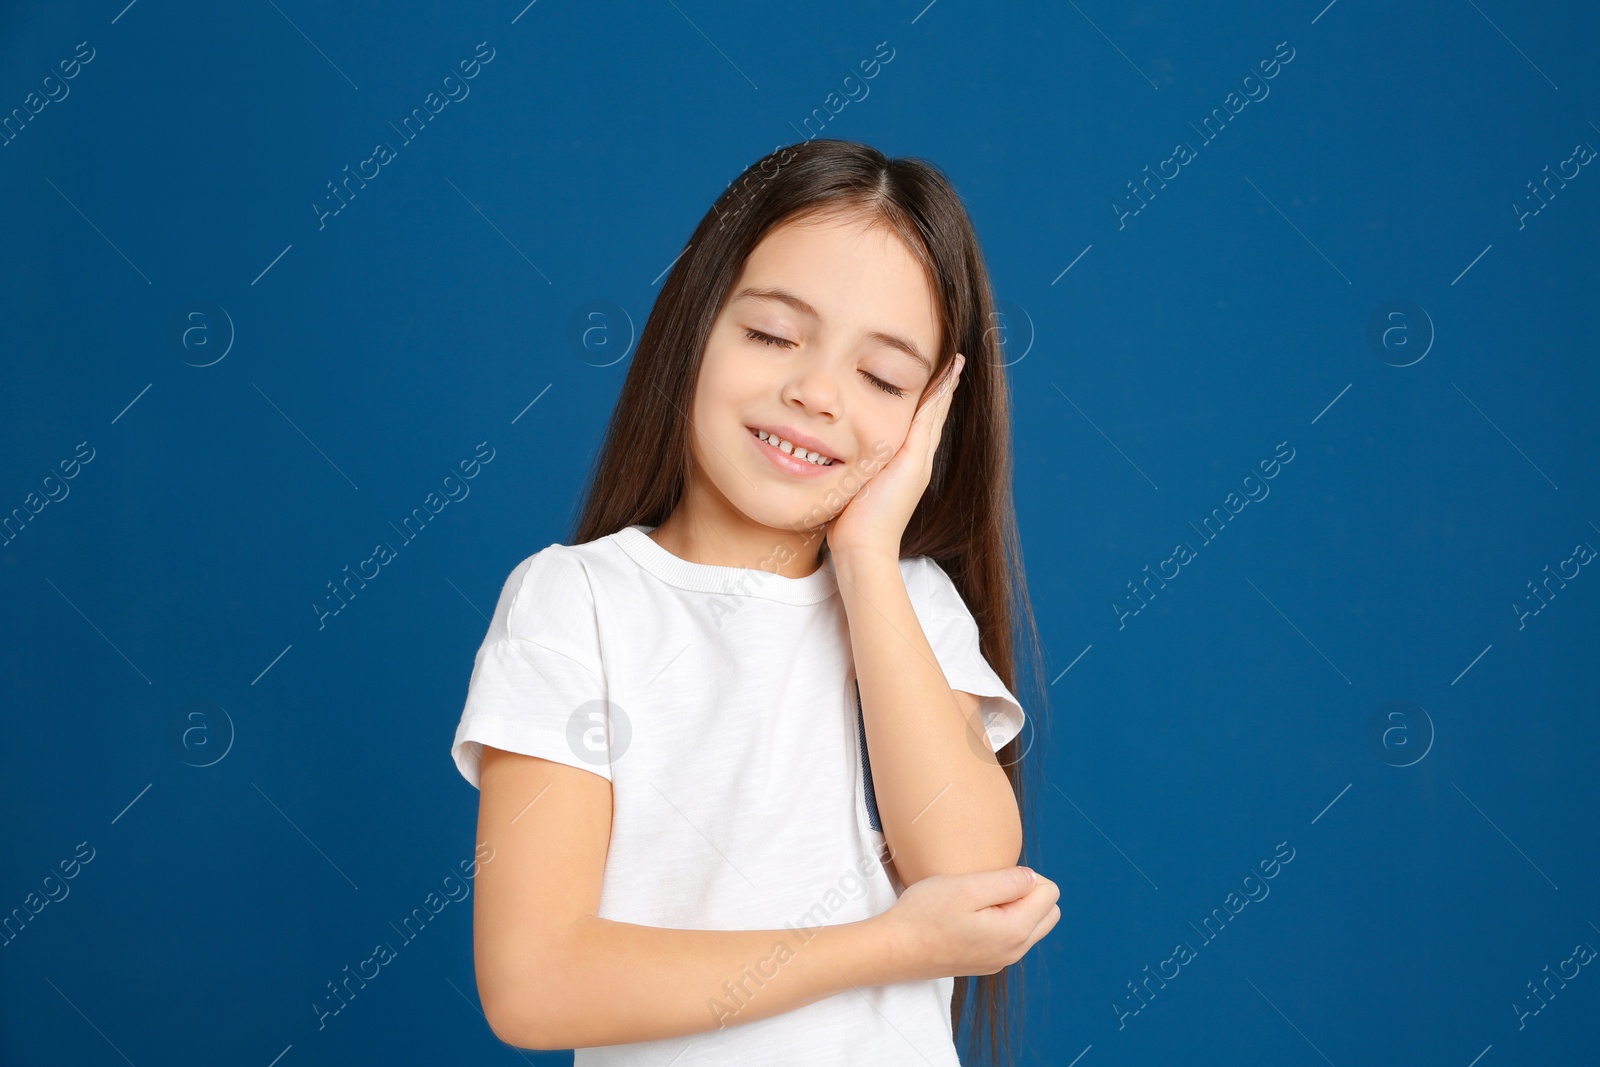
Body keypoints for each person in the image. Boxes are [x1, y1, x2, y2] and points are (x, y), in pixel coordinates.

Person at [450, 138, 1059, 1065]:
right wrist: (886, 947)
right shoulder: (578, 604)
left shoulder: (914, 609)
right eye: (773, 334)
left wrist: (864, 559)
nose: (815, 392)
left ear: (930, 419)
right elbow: (536, 983)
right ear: (694, 324)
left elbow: (973, 877)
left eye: (884, 378)